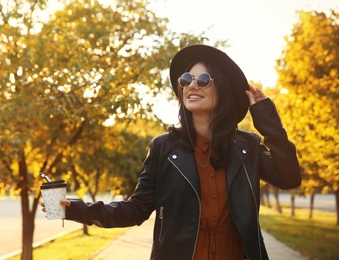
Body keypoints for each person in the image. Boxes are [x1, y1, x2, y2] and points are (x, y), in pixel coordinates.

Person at [41, 44, 301, 260]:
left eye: (202, 80)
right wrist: (72, 209)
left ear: (222, 89)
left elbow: (289, 178)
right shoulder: (163, 147)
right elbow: (135, 210)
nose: (191, 85)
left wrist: (266, 118)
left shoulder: (247, 146)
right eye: (186, 79)